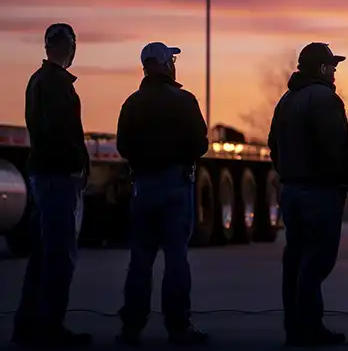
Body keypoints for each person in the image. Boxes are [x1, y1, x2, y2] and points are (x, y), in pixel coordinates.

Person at [115, 42, 210, 345]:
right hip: (175, 184)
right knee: (176, 258)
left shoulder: (132, 103)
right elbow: (200, 144)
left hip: (143, 186)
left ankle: (131, 327)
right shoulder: (184, 100)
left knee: (140, 260)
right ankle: (178, 327)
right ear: (168, 64)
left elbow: (122, 146)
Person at [12, 23, 92, 347]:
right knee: (59, 257)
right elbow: (61, 132)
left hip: (45, 176)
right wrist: (77, 164)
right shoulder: (56, 84)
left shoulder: (38, 80)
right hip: (58, 178)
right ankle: (50, 329)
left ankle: (27, 326)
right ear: (68, 48)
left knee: (43, 255)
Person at [268, 42, 348, 347]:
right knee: (317, 260)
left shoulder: (287, 100)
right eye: (332, 66)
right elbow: (336, 148)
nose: (334, 72)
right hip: (321, 192)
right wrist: (342, 181)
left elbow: (272, 145)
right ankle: (310, 327)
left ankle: (295, 326)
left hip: (291, 191)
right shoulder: (326, 100)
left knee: (296, 257)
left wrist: (288, 173)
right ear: (321, 68)